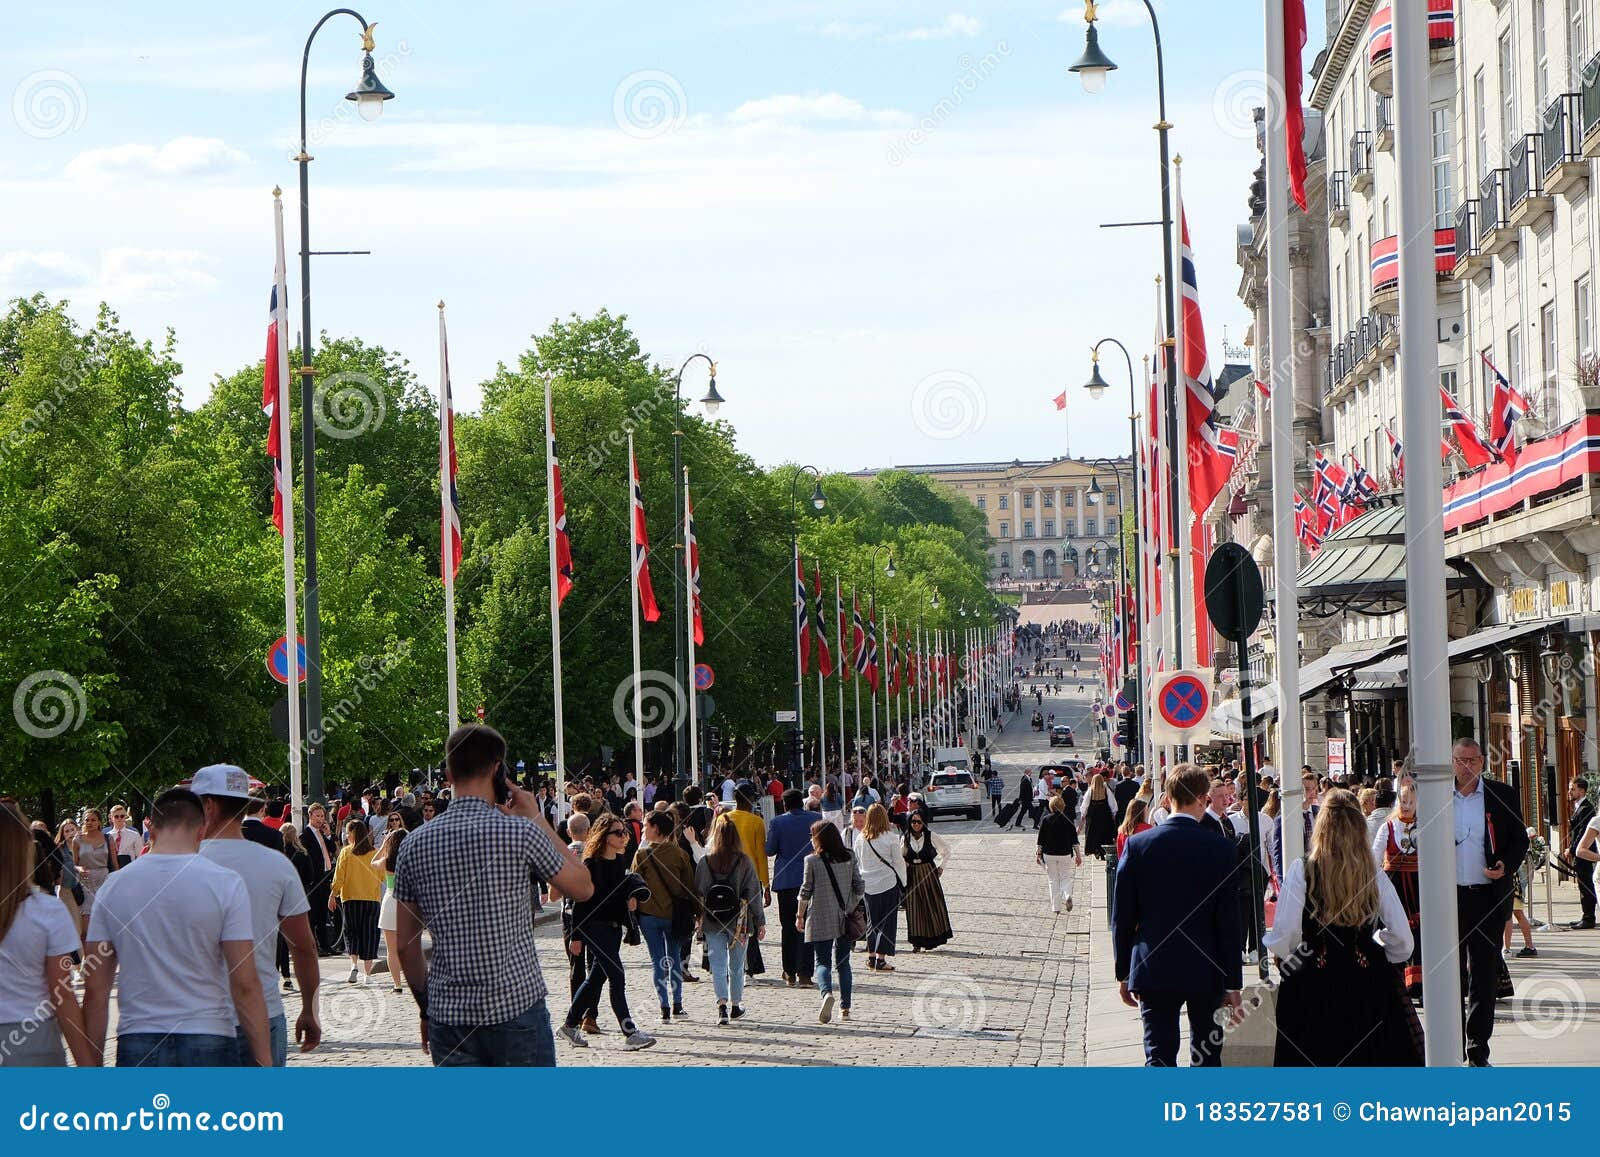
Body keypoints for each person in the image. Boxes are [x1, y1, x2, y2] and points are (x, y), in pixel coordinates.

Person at [83, 788, 271, 1067]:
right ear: (201, 830)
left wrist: (91, 1068)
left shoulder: (114, 887)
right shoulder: (225, 884)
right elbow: (245, 983)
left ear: (151, 828)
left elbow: (96, 989)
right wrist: (264, 1060)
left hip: (139, 1037)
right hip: (208, 1032)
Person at [1266, 789, 1421, 1066]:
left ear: (1321, 827)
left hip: (1313, 979)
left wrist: (1290, 956)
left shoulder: (1302, 870)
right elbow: (1403, 940)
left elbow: (1286, 934)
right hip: (1365, 979)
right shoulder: (1373, 874)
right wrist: (1377, 948)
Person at [1112, 764, 1242, 1067]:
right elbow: (1229, 922)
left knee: (1158, 1055)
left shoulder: (1138, 845)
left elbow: (1123, 915)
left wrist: (1123, 971)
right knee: (1207, 1056)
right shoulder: (1221, 849)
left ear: (1168, 798)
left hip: (1153, 962)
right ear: (1202, 798)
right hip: (1207, 967)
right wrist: (1233, 982)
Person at [195, 764, 320, 1066]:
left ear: (207, 806)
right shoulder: (276, 865)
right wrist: (308, 1009)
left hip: (196, 1020)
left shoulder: (181, 862)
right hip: (264, 1010)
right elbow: (303, 947)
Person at [1450, 737, 1528, 1066]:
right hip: (1449, 899)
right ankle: (1449, 1045)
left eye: (1473, 760)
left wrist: (1505, 866)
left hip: (1487, 898)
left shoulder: (1501, 794)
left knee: (1483, 977)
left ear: (1483, 761)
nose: (1467, 767)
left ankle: (1477, 1052)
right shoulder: (1437, 796)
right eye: (1461, 760)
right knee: (1449, 977)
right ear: (1452, 762)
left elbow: (1519, 840)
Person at [0, 803, 91, 1066]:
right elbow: (61, 995)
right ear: (25, 848)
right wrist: (87, 1064)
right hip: (33, 1041)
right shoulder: (47, 911)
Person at [559, 816, 654, 1051]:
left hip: (612, 928)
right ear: (604, 837)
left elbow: (617, 892)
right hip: (594, 927)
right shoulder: (592, 863)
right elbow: (582, 902)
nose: (624, 836)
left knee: (595, 979)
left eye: (624, 832)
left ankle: (569, 1025)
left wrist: (631, 897)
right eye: (618, 833)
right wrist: (576, 936)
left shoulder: (620, 860)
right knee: (617, 976)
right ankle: (629, 1032)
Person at [695, 813, 766, 1025]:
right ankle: (736, 1005)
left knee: (717, 964)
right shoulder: (744, 861)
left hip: (712, 919)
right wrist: (760, 921)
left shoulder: (705, 862)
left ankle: (722, 1006)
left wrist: (698, 919)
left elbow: (698, 892)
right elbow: (754, 893)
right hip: (740, 921)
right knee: (736, 965)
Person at [796, 821, 865, 1025]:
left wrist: (800, 916)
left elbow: (805, 891)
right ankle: (845, 1008)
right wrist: (849, 905)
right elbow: (859, 887)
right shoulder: (849, 856)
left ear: (818, 838)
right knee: (843, 963)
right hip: (845, 916)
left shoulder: (812, 860)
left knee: (822, 961)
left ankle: (826, 994)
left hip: (820, 915)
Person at [633, 810, 694, 1022]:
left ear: (656, 829)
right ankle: (678, 1004)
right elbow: (689, 886)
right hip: (673, 915)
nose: (642, 829)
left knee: (657, 961)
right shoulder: (679, 854)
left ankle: (664, 1006)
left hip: (649, 915)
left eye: (646, 826)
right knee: (674, 958)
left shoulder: (641, 855)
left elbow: (634, 885)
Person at [766, 789, 817, 988]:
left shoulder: (777, 822)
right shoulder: (816, 818)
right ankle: (805, 972)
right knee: (808, 926)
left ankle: (789, 971)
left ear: (785, 805)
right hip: (810, 877)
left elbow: (769, 850)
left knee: (788, 926)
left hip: (786, 880)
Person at [330, 818, 385, 985]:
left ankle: (353, 965)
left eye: (348, 832)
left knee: (352, 933)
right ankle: (367, 975)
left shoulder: (346, 852)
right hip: (371, 899)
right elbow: (381, 876)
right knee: (369, 935)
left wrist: (333, 893)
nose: (346, 835)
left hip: (350, 898)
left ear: (352, 834)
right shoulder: (374, 852)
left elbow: (339, 876)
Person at [724, 786, 770, 978]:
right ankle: (750, 963)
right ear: (750, 799)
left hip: (726, 877)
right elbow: (761, 855)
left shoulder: (723, 819)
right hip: (749, 879)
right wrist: (766, 884)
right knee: (749, 922)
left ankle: (729, 962)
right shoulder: (756, 822)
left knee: (727, 920)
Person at [855, 803, 905, 971]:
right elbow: (898, 862)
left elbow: (857, 861)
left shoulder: (861, 837)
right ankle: (881, 959)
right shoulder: (890, 837)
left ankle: (870, 956)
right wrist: (904, 882)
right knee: (886, 922)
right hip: (887, 883)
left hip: (867, 884)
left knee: (872, 921)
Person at [902, 810, 953, 951]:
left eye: (919, 821)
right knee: (914, 909)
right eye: (913, 822)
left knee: (932, 906)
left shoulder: (931, 836)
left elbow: (947, 850)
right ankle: (917, 942)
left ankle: (933, 939)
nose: (916, 825)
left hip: (928, 874)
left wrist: (941, 867)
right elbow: (900, 856)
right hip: (912, 875)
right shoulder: (905, 838)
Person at [374, 825, 409, 993]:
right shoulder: (412, 860)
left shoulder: (387, 860)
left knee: (391, 949)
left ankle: (397, 985)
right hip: (408, 903)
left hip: (390, 901)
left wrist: (383, 846)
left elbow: (373, 863)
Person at [1036, 794, 1083, 915]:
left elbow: (1040, 840)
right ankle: (1067, 895)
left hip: (1049, 853)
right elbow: (1074, 841)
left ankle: (1056, 907)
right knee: (1065, 877)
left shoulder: (1046, 819)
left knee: (1053, 880)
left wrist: (1038, 854)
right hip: (1065, 853)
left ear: (1051, 806)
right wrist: (1078, 855)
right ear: (1063, 806)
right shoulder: (1068, 820)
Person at [74, 808, 116, 922]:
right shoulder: (77, 840)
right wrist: (79, 868)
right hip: (86, 880)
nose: (90, 822)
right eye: (87, 820)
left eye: (93, 820)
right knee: (87, 914)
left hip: (104, 879)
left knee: (104, 915)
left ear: (99, 822)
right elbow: (73, 864)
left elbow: (114, 863)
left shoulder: (108, 838)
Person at [1565, 777, 1596, 929]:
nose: (1569, 792)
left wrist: (1571, 849)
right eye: (1570, 789)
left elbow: (1581, 833)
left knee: (1586, 885)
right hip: (1579, 852)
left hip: (1585, 853)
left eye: (1573, 789)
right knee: (1583, 884)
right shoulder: (1579, 806)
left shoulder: (1586, 808)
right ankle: (1586, 915)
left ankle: (1589, 918)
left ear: (1582, 791)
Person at [1082, 774, 1116, 858]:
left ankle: (1095, 850)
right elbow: (1112, 802)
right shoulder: (1106, 789)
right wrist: (1113, 812)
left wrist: (1083, 814)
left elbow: (1085, 804)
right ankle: (1103, 850)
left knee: (1093, 833)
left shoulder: (1090, 790)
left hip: (1093, 815)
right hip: (1104, 814)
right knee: (1104, 832)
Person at [1114, 797, 1152, 861]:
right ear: (1141, 813)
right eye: (1146, 810)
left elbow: (1120, 855)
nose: (1148, 813)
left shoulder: (1122, 830)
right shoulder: (1148, 828)